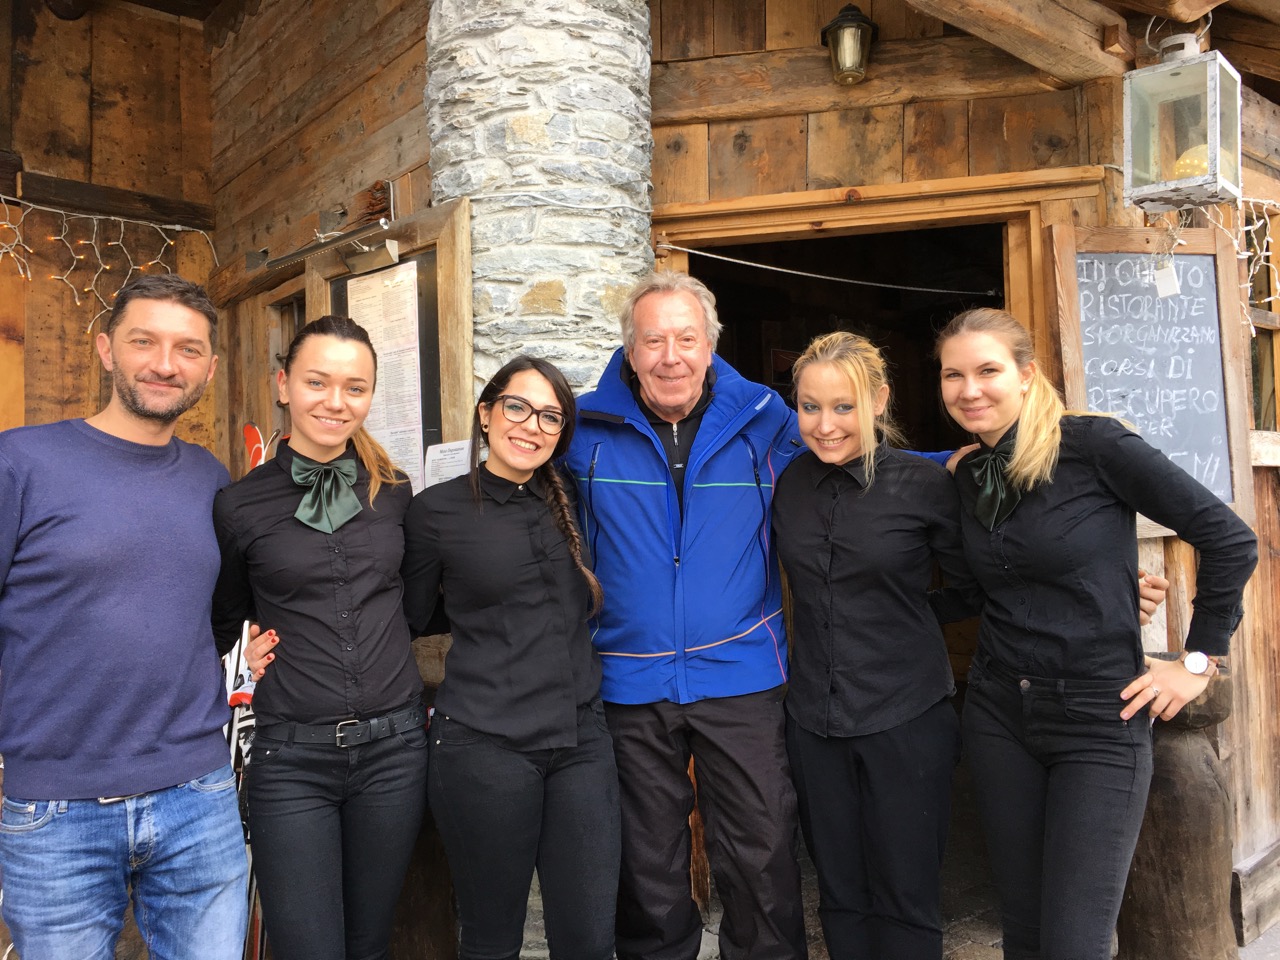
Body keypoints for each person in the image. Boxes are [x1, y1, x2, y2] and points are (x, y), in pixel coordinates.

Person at [935, 307, 1257, 960]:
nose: (969, 389)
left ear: (1027, 375)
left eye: (987, 370)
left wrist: (1198, 660)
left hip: (1098, 716)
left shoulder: (1094, 446)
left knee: (1076, 942)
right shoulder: (969, 476)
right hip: (999, 710)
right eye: (952, 375)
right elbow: (980, 589)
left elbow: (1230, 539)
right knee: (1023, 932)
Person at [0, 275, 248, 960]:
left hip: (199, 795)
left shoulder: (209, 478)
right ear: (106, 348)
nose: (166, 364)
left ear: (210, 367)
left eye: (188, 349)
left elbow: (213, 611)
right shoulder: (20, 462)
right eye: (146, 341)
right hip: (57, 810)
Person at [564, 271, 809, 960]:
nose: (670, 356)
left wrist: (954, 466)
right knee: (646, 860)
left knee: (761, 848)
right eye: (653, 341)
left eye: (685, 339)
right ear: (630, 352)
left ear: (711, 346)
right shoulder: (583, 429)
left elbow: (845, 473)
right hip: (626, 678)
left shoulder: (765, 419)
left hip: (741, 672)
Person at [212, 316, 427, 960]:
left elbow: (414, 606)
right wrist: (240, 663)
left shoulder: (393, 494)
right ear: (283, 385)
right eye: (317, 382)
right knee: (306, 946)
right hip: (291, 762)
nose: (336, 402)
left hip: (395, 753)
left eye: (355, 387)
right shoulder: (238, 505)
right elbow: (223, 622)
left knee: (369, 942)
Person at [772, 331, 984, 959]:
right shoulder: (788, 487)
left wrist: (913, 615)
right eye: (810, 407)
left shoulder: (925, 485)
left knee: (905, 890)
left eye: (844, 407)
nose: (826, 425)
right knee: (838, 889)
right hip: (813, 719)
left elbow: (980, 584)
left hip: (906, 715)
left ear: (880, 399)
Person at [401, 356, 620, 960]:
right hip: (484, 746)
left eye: (551, 416)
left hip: (582, 740)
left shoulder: (572, 498)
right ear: (487, 414)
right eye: (517, 407)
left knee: (589, 938)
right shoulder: (436, 511)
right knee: (493, 938)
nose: (532, 426)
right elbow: (416, 616)